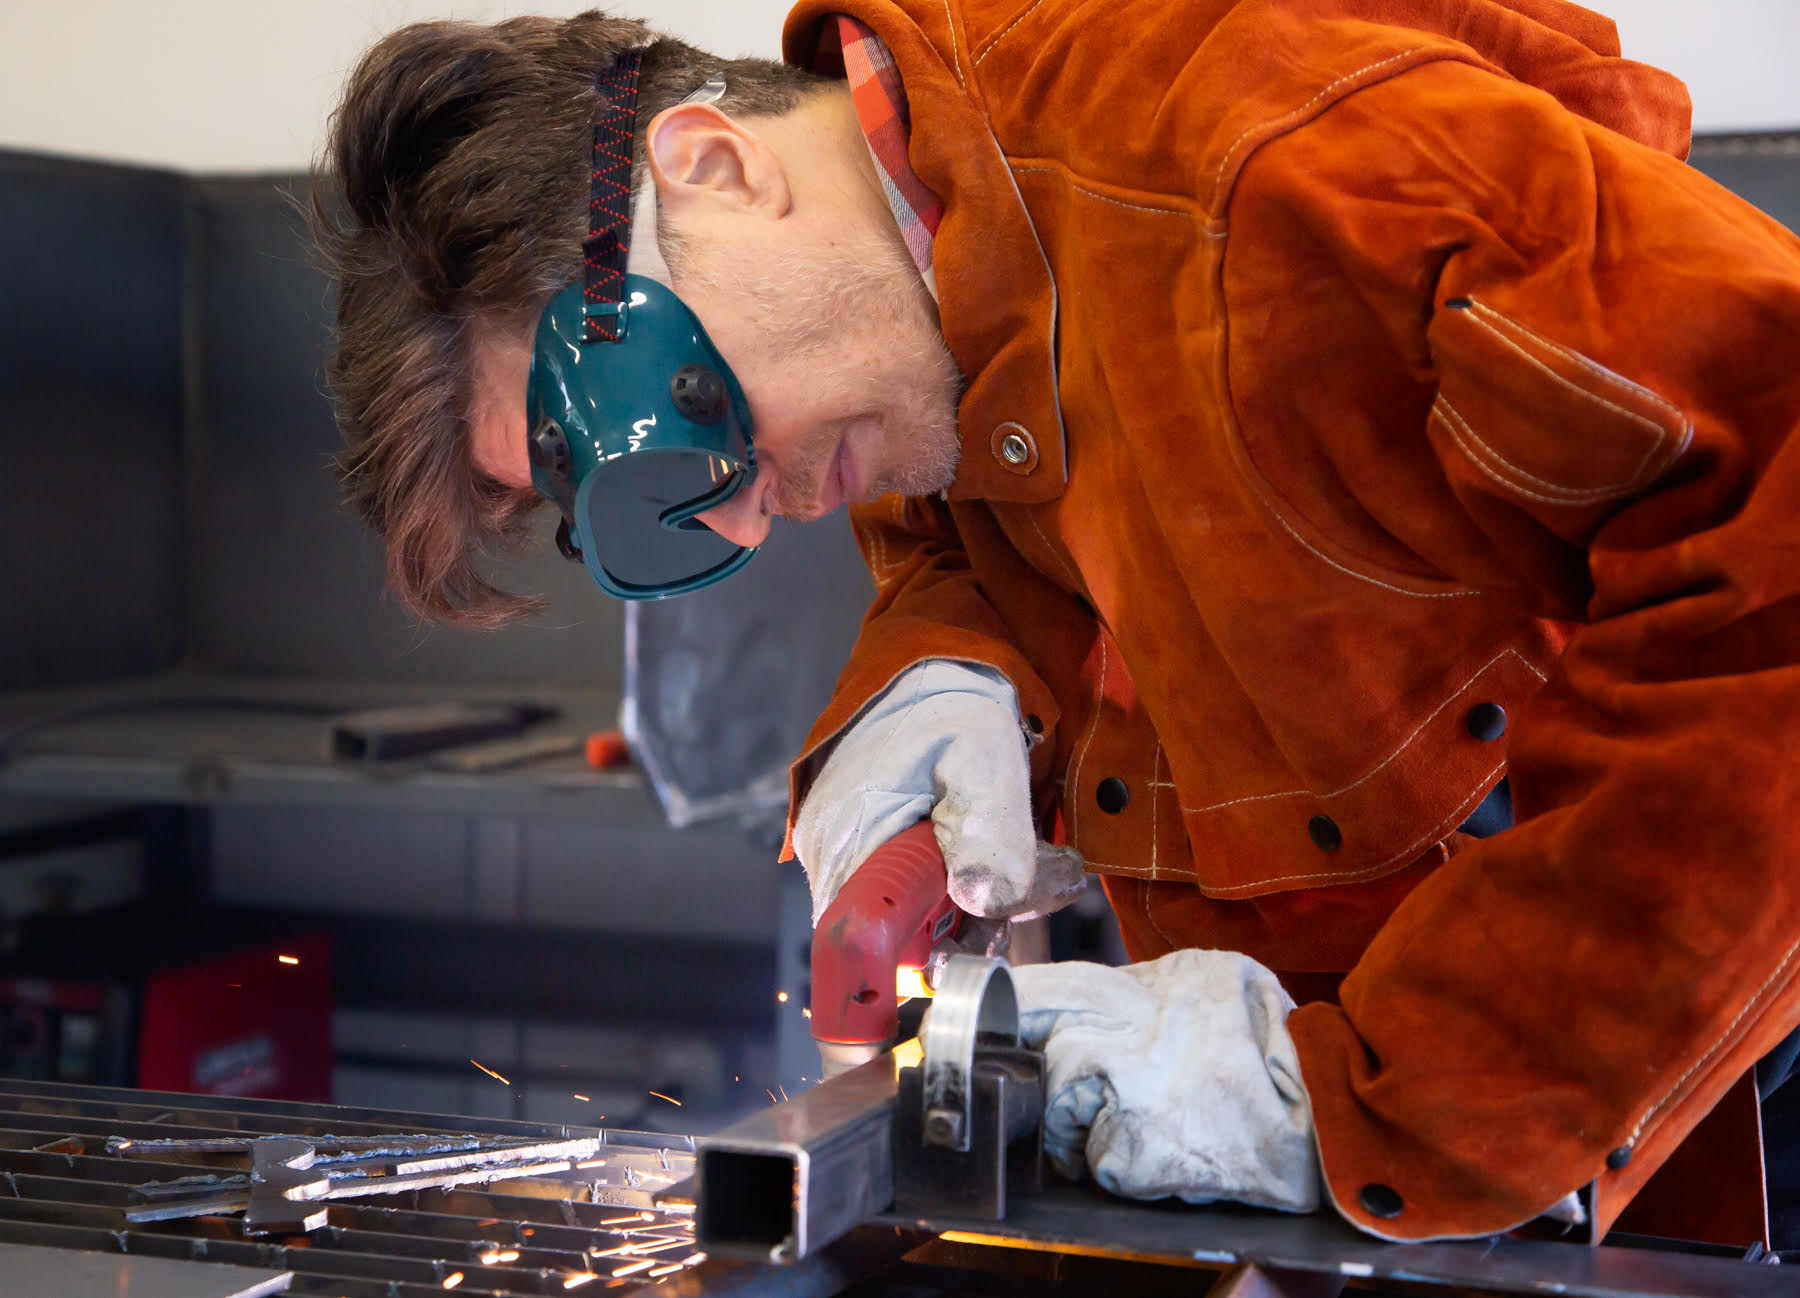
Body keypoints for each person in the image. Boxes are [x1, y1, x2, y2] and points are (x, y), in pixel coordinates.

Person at [312, 0, 1800, 1242]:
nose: (749, 519)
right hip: (1446, 1172)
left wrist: (1392, 1093)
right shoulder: (927, 294)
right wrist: (945, 668)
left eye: (678, 430)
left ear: (714, 171)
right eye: (658, 510)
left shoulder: (1259, 155)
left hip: (1713, 1065)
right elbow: (1070, 520)